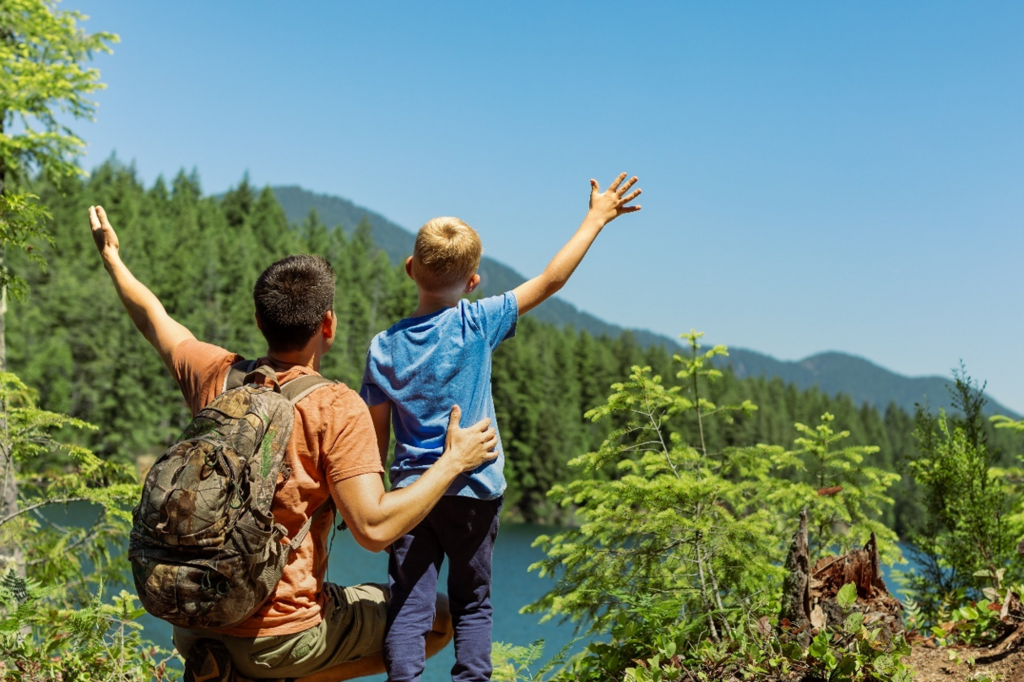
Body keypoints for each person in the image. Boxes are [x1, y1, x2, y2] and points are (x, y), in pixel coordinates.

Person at [88, 205, 500, 682]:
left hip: (195, 621)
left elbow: (155, 321)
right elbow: (373, 530)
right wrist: (452, 463)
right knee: (439, 618)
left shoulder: (219, 376)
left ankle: (234, 668)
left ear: (259, 321)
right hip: (282, 637)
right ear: (329, 324)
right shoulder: (337, 408)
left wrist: (114, 260)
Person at [360, 173, 642, 682]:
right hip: (474, 491)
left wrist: (379, 494)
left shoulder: (383, 347)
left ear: (409, 269)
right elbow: (551, 280)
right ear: (472, 282)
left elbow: (374, 438)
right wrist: (596, 218)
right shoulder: (477, 321)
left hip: (409, 496)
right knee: (473, 605)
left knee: (408, 606)